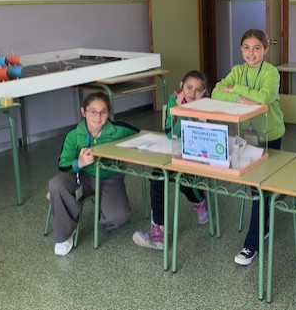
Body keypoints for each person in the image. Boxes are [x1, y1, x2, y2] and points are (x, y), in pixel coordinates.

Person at [211, 28, 285, 266]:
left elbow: (263, 99)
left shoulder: (271, 72)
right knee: (257, 187)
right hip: (245, 135)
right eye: (246, 48)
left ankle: (252, 242)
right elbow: (215, 92)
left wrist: (237, 90)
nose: (251, 53)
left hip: (269, 135)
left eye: (257, 48)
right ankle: (263, 224)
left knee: (259, 188)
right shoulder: (237, 70)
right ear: (240, 49)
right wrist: (240, 99)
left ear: (266, 50)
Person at [48, 92, 139, 256]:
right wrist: (79, 163)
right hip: (82, 176)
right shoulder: (73, 135)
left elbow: (142, 136)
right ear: (83, 112)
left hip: (109, 177)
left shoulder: (119, 129)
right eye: (92, 111)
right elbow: (62, 165)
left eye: (103, 112)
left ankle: (104, 217)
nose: (98, 117)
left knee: (119, 216)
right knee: (57, 184)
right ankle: (64, 235)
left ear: (109, 112)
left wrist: (126, 158)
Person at [132, 70, 210, 250]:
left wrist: (199, 114)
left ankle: (199, 201)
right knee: (158, 176)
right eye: (189, 87)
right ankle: (158, 232)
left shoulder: (206, 105)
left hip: (198, 154)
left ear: (204, 92)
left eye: (198, 90)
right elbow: (171, 133)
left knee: (186, 181)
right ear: (181, 86)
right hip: (174, 151)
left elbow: (205, 136)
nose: (192, 93)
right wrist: (181, 110)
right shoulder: (173, 102)